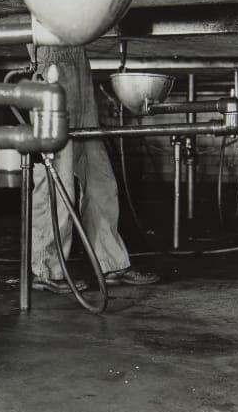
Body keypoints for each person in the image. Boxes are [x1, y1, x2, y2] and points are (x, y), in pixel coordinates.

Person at [29, 43, 159, 292]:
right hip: (51, 59)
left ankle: (111, 263)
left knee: (100, 178)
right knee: (58, 176)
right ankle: (47, 270)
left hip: (78, 57)